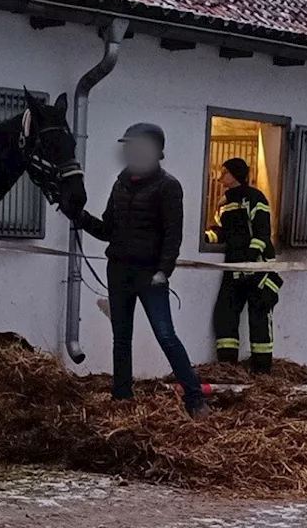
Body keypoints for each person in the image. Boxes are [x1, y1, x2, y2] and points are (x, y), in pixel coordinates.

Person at [76, 123, 208, 418]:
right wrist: (80, 217)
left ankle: (195, 400)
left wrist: (164, 271)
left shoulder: (168, 186)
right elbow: (108, 229)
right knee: (121, 337)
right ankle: (122, 397)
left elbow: (173, 234)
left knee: (166, 336)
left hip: (150, 274)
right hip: (119, 270)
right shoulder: (120, 183)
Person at [207, 158, 283, 374]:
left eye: (225, 173)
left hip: (258, 269)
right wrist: (205, 237)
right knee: (225, 313)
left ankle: (261, 371)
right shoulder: (224, 203)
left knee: (259, 316)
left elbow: (262, 232)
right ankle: (227, 368)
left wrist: (250, 257)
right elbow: (222, 232)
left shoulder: (255, 198)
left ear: (236, 174)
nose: (221, 177)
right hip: (233, 269)